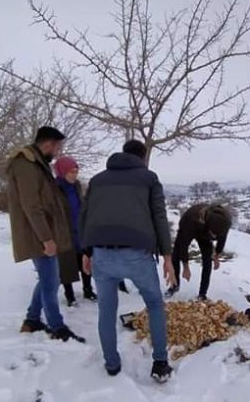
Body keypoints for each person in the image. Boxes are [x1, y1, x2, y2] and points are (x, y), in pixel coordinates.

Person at [80, 140, 176, 382]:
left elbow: (85, 216)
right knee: (155, 304)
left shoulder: (97, 180)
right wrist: (167, 257)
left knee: (107, 310)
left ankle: (111, 364)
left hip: (101, 253)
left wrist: (86, 251)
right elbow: (159, 216)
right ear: (142, 158)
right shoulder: (149, 178)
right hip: (137, 254)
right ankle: (160, 363)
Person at [6, 126, 85, 343]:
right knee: (51, 281)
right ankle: (57, 327)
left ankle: (32, 320)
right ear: (48, 143)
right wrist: (46, 239)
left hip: (44, 232)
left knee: (48, 279)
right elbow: (31, 206)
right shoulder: (26, 165)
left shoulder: (37, 163)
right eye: (57, 147)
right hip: (38, 235)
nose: (58, 152)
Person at [54, 156, 97, 306]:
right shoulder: (54, 188)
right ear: (62, 172)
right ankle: (70, 295)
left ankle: (88, 289)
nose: (74, 174)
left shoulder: (77, 186)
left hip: (79, 230)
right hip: (63, 232)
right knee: (66, 265)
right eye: (71, 171)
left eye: (76, 171)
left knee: (85, 261)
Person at [166, 204, 232, 300]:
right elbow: (183, 245)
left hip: (205, 233)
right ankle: (174, 286)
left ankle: (202, 294)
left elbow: (222, 239)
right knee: (176, 255)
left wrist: (217, 255)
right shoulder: (191, 221)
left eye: (216, 236)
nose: (214, 238)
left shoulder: (225, 223)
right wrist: (186, 266)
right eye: (213, 234)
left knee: (207, 259)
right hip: (189, 226)